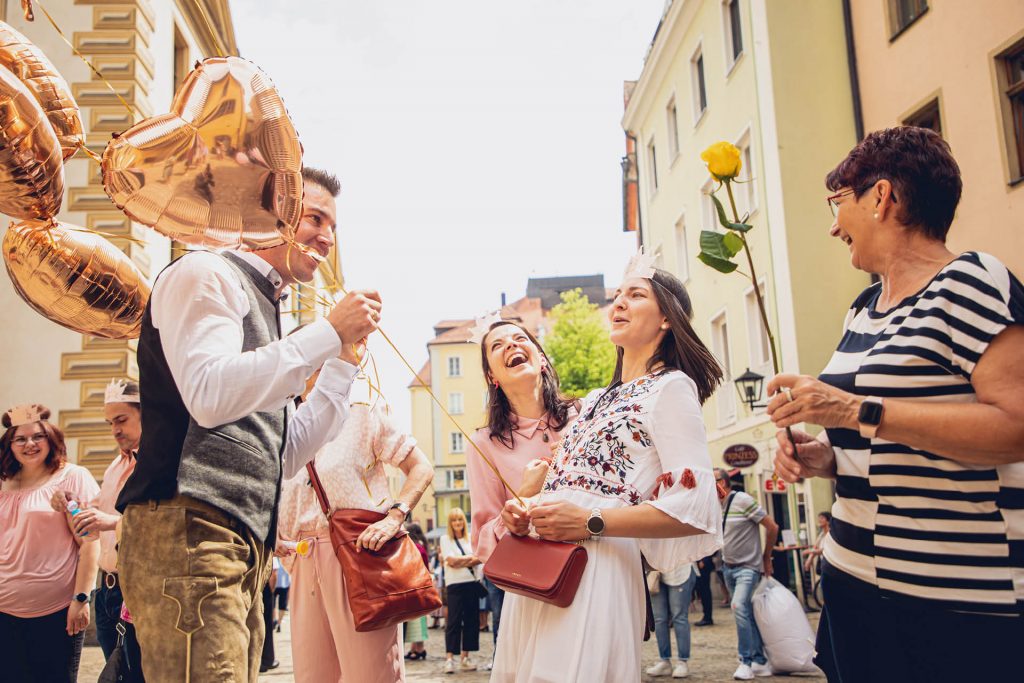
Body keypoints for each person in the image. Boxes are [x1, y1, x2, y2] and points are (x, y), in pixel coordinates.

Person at [767, 125, 1024, 682]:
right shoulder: (861, 310)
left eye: (838, 203)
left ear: (882, 197)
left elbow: (1016, 426)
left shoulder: (971, 281)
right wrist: (825, 458)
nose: (833, 225)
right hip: (853, 583)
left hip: (954, 600)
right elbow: (886, 442)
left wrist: (854, 410)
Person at [115, 167, 382, 682]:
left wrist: (343, 364)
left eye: (333, 225)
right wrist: (326, 332)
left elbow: (281, 456)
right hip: (187, 525)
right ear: (267, 214)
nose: (326, 236)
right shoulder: (205, 274)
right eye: (313, 217)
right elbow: (210, 395)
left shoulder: (270, 311)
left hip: (243, 541)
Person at [493, 266, 725, 682]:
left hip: (594, 571)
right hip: (539, 568)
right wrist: (526, 507)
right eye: (618, 294)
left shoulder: (671, 388)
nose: (618, 302)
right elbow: (571, 485)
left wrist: (589, 521)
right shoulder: (597, 399)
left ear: (668, 318)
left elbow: (697, 507)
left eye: (635, 295)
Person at [277, 343, 434, 683]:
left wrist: (395, 516)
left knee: (371, 674)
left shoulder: (362, 415)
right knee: (313, 676)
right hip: (302, 562)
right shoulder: (279, 429)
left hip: (359, 555)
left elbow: (420, 467)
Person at [465, 318, 579, 666]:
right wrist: (517, 506)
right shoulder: (483, 443)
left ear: (541, 358)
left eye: (519, 338)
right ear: (492, 378)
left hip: (597, 567)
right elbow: (483, 540)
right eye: (497, 346)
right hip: (534, 587)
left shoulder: (584, 414)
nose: (511, 345)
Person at [0, 404, 100, 683]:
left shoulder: (71, 478)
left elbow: (90, 541)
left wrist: (81, 598)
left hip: (56, 613)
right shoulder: (2, 482)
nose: (29, 444)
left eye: (37, 437)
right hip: (3, 612)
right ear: (9, 444)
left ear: (51, 438)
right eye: (20, 438)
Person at [715, 468, 777, 680]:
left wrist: (766, 557)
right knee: (746, 614)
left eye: (714, 482)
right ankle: (761, 660)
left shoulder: (742, 500)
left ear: (723, 482)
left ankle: (745, 661)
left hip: (748, 567)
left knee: (738, 606)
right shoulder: (716, 506)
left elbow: (772, 527)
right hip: (727, 568)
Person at [440, 507, 483, 674]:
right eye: (454, 520)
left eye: (459, 520)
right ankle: (449, 658)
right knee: (453, 622)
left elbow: (480, 558)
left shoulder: (471, 539)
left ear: (463, 522)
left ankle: (465, 657)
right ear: (450, 523)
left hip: (471, 583)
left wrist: (461, 561)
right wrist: (470, 560)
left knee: (471, 621)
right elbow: (450, 561)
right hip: (454, 585)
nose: (457, 523)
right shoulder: (445, 539)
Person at [645, 562, 698, 678]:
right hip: (656, 570)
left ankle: (682, 662)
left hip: (680, 570)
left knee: (679, 618)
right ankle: (664, 661)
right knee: (659, 619)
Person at [404, 522, 431, 660]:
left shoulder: (414, 547)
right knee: (419, 620)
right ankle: (416, 648)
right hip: (421, 586)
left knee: (416, 620)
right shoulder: (422, 546)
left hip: (415, 586)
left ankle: (418, 649)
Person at [273, 556, 291, 632]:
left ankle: (276, 621)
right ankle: (278, 623)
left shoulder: (274, 556)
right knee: (282, 606)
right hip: (284, 584)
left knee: (274, 605)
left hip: (277, 584)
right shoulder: (287, 557)